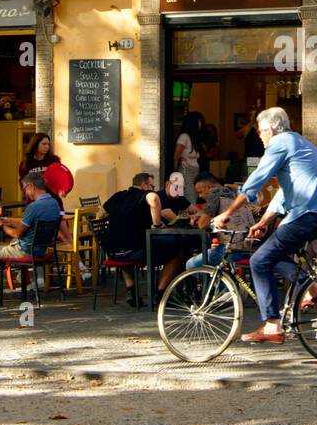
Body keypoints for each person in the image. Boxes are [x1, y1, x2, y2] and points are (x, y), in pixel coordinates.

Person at [212, 107, 317, 345]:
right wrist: (263, 221)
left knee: (258, 261)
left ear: (270, 129)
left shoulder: (280, 143)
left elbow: (256, 180)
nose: (259, 136)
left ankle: (272, 324)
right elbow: (284, 192)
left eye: (260, 131)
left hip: (307, 215)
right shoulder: (301, 143)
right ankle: (313, 291)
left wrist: (227, 212)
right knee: (274, 255)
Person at [0, 171, 65, 301]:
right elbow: (30, 226)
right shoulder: (54, 203)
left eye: (24, 189)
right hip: (41, 250)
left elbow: (17, 233)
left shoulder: (33, 207)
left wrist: (1, 226)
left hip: (24, 251)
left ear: (32, 187)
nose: (25, 193)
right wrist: (10, 221)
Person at [99, 173, 177, 308]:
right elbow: (153, 198)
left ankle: (132, 290)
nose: (153, 189)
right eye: (152, 186)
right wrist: (157, 224)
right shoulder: (144, 195)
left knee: (123, 244)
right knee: (177, 250)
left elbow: (101, 213)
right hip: (136, 251)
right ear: (144, 185)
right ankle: (161, 293)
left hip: (112, 251)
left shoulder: (118, 196)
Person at [186, 172, 257, 270]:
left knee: (190, 265)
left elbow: (202, 225)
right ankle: (221, 284)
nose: (200, 196)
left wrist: (199, 219)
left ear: (209, 187)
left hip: (231, 250)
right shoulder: (234, 193)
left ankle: (212, 285)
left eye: (200, 192)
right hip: (250, 248)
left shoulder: (215, 193)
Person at [18, 133, 61, 203]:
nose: (47, 147)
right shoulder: (26, 162)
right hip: (34, 202)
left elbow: (60, 178)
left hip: (53, 200)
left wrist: (62, 190)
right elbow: (22, 181)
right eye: (44, 144)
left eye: (48, 144)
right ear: (35, 144)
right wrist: (26, 191)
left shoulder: (54, 160)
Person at [173, 112, 205, 202]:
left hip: (194, 173)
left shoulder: (193, 139)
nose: (200, 124)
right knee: (190, 198)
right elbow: (176, 156)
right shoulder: (184, 137)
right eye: (199, 121)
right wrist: (176, 173)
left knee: (193, 197)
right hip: (186, 171)